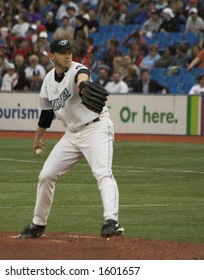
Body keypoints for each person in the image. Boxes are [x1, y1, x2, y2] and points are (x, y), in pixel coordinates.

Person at [19, 39, 124, 239]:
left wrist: (83, 85)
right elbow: (46, 115)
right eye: (62, 52)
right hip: (71, 134)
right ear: (52, 56)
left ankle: (112, 221)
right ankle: (38, 224)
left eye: (69, 51)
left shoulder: (78, 69)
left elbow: (82, 77)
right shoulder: (48, 81)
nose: (67, 56)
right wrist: (37, 139)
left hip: (96, 128)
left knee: (102, 173)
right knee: (46, 175)